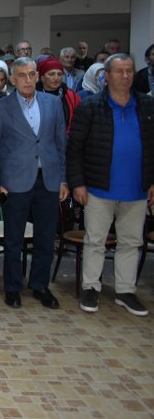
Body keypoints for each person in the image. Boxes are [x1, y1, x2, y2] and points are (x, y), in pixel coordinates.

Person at [67, 53, 154, 316]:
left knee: (131, 241)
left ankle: (125, 291)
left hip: (137, 189)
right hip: (99, 187)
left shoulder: (147, 105)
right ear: (106, 75)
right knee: (95, 240)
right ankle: (90, 288)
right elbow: (75, 148)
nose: (125, 76)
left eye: (129, 71)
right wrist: (78, 183)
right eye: (119, 71)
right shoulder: (91, 106)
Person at [0, 57, 68, 309]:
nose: (27, 79)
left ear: (37, 77)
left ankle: (40, 285)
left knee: (45, 237)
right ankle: (13, 287)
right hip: (15, 182)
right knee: (14, 239)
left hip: (49, 180)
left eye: (31, 74)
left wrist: (63, 178)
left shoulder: (53, 103)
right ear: (12, 79)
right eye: (21, 75)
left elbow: (61, 144)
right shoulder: (0, 108)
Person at [36, 56, 81, 135]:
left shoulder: (72, 96)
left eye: (59, 74)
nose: (56, 78)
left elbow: (78, 122)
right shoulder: (32, 95)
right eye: (51, 74)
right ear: (42, 77)